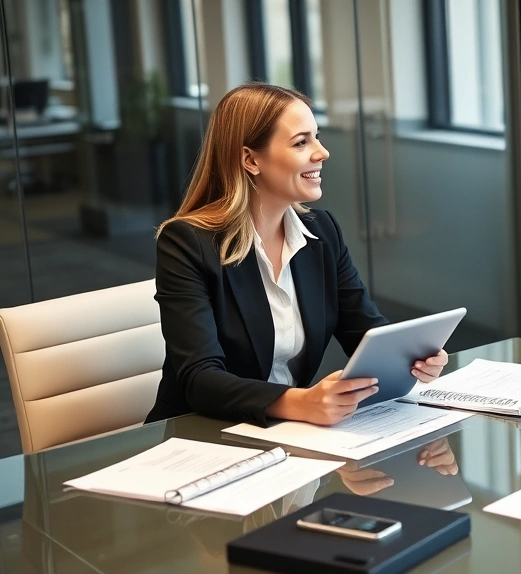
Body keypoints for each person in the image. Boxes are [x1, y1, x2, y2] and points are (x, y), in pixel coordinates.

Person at [145, 82, 447, 426]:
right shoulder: (187, 242)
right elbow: (199, 380)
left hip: (289, 434)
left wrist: (410, 358)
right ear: (250, 159)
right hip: (204, 435)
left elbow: (364, 332)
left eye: (316, 137)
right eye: (302, 142)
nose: (322, 153)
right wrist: (300, 402)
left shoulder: (322, 231)